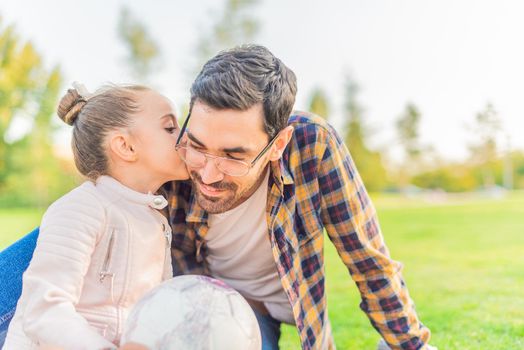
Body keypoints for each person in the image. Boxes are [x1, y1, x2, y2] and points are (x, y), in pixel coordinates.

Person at [162, 44, 435, 350]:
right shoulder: (170, 153)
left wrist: (411, 345)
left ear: (278, 145)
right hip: (221, 306)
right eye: (198, 147)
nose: (208, 174)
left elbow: (367, 258)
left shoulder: (313, 145)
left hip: (299, 302)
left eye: (234, 157)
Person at [3, 83, 188, 349]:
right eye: (170, 128)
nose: (184, 137)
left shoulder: (156, 222)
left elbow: (153, 316)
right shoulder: (82, 208)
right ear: (125, 146)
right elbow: (43, 310)